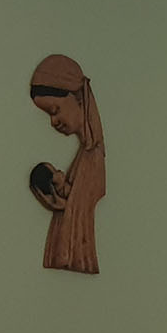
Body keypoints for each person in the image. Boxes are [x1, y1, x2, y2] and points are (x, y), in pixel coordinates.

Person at [28, 53, 105, 274]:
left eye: (55, 111)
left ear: (79, 98)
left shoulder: (92, 158)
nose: (53, 122)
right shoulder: (83, 156)